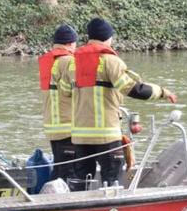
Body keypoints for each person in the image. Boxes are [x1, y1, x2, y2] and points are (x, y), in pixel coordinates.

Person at [70, 18, 177, 188]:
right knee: (111, 182)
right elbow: (133, 89)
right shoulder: (110, 61)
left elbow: (67, 92)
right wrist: (163, 92)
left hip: (80, 136)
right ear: (108, 37)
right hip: (106, 134)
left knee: (80, 181)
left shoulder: (73, 62)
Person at [39, 23, 79, 181]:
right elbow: (75, 90)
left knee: (59, 167)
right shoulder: (69, 62)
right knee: (68, 172)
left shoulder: (47, 61)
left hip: (52, 127)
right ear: (70, 43)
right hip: (68, 126)